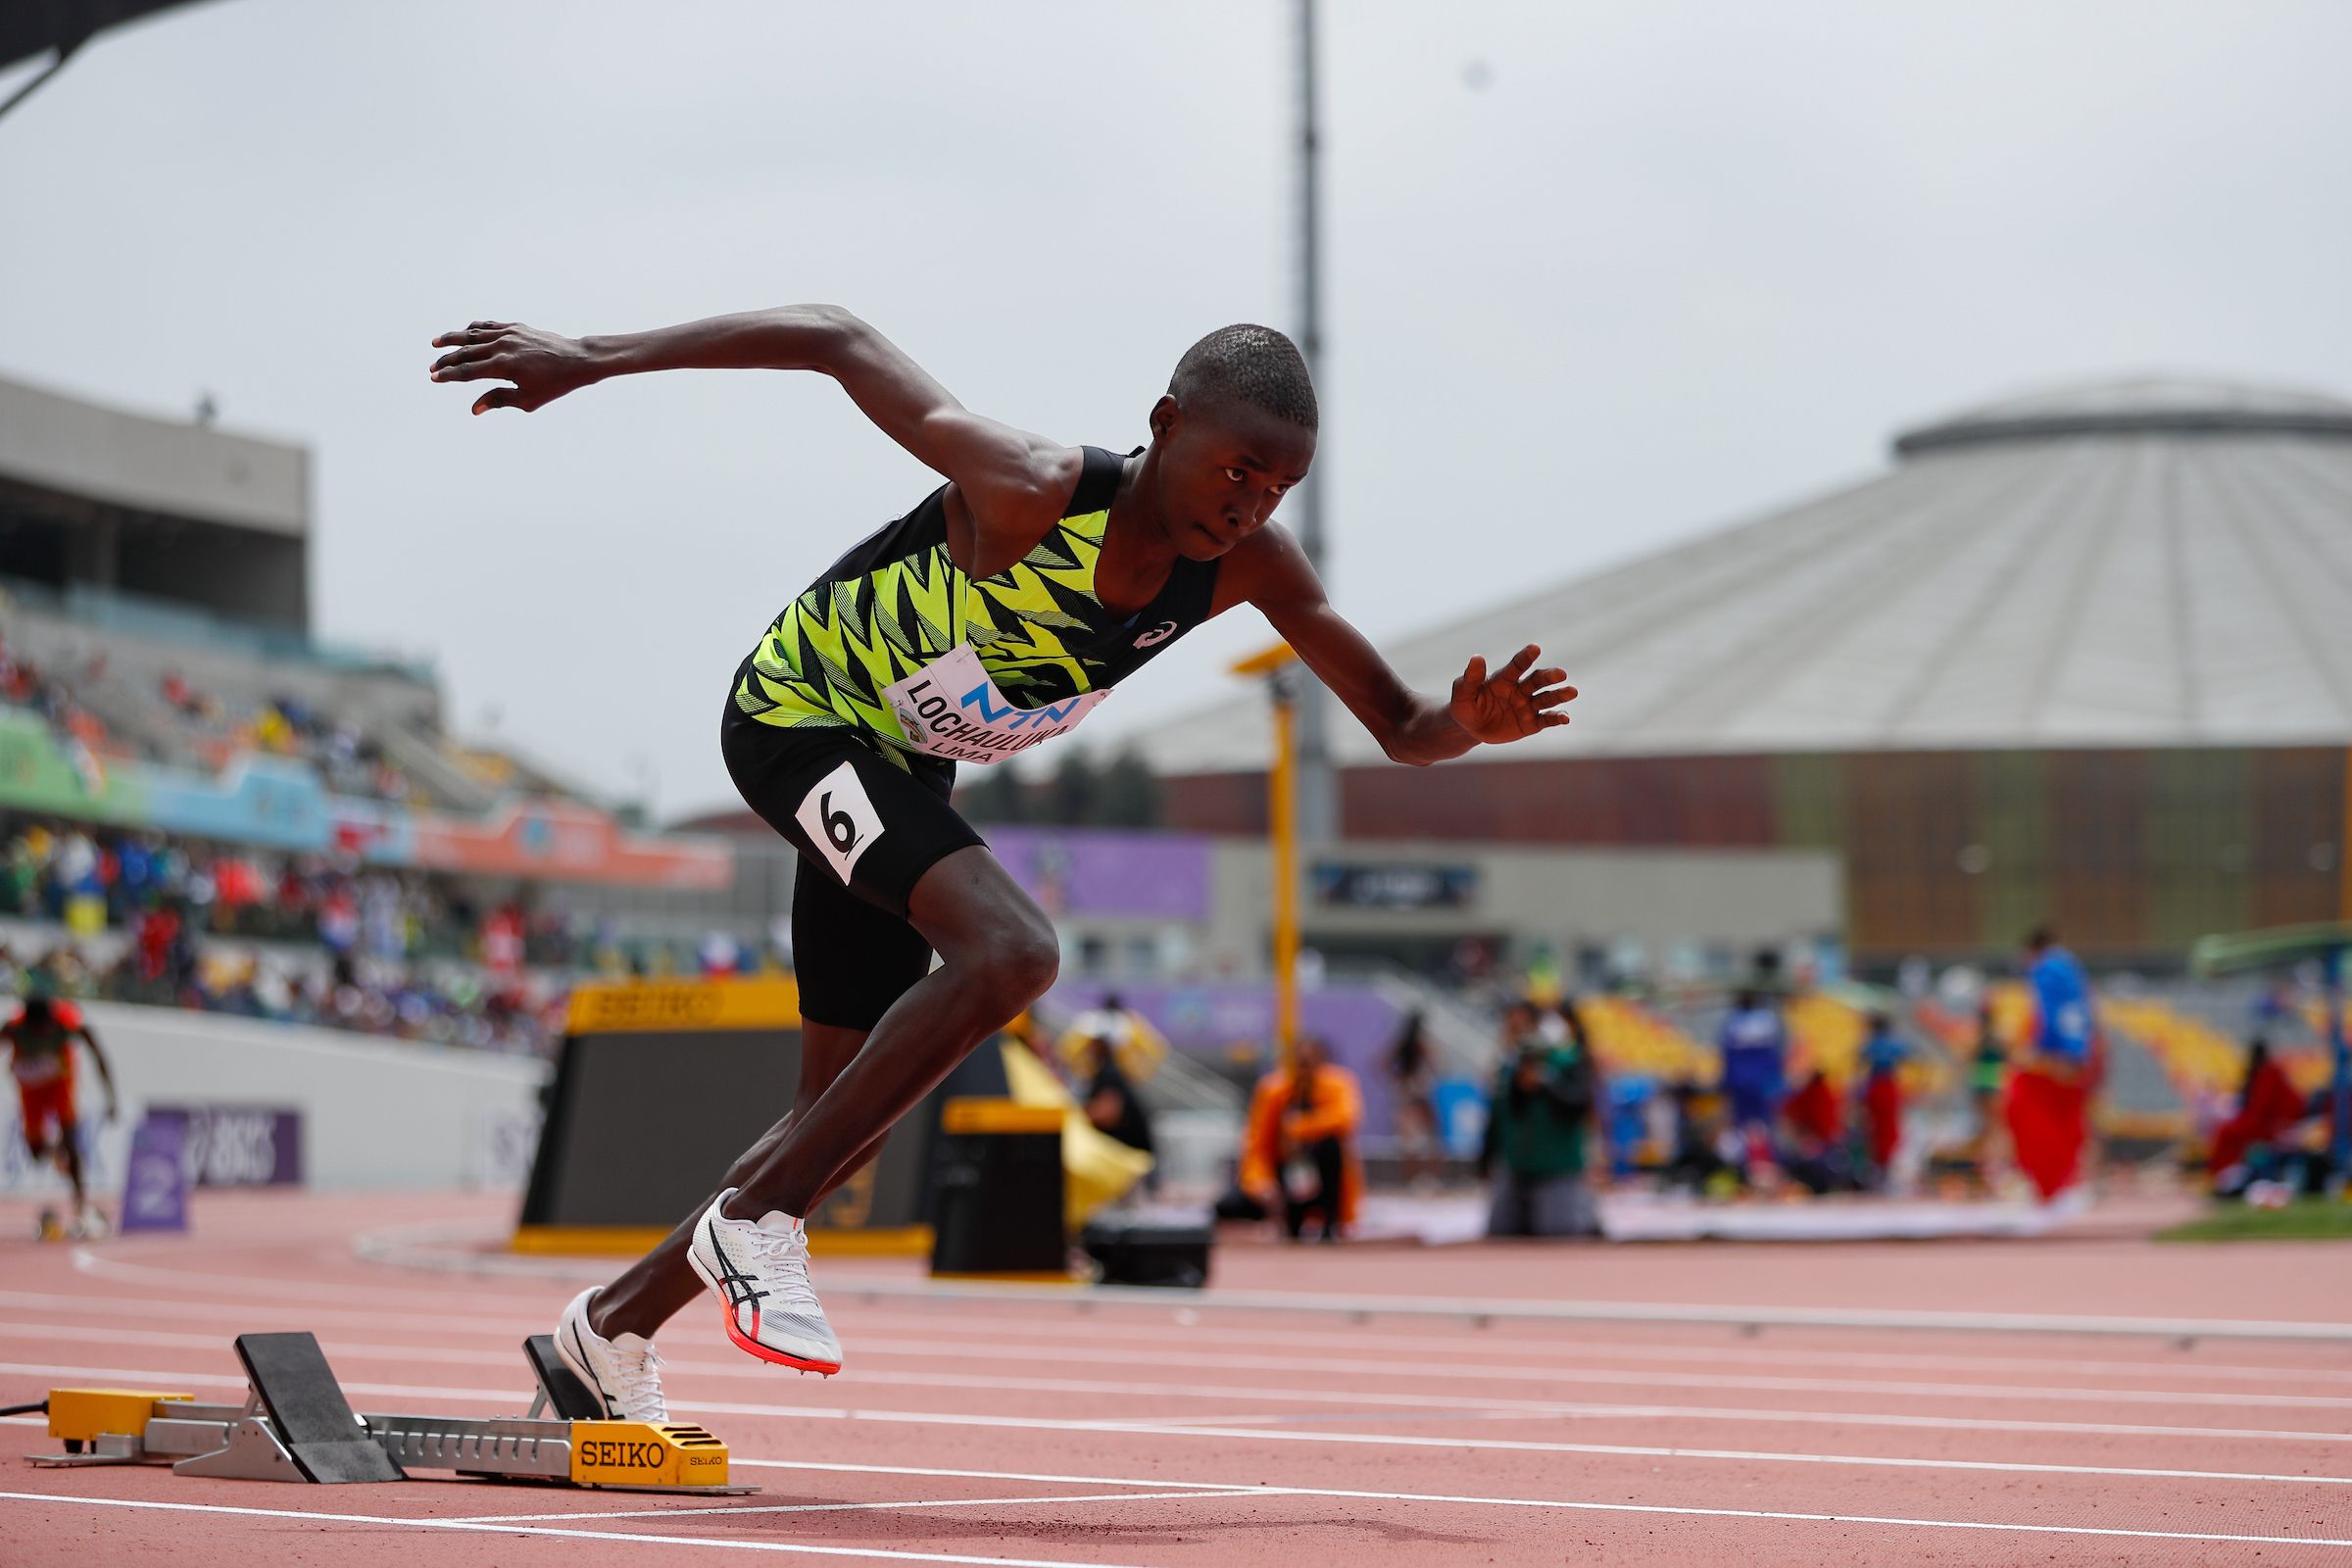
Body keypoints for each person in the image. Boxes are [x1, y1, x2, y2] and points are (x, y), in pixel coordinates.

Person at [431, 307, 1576, 1416]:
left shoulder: (1251, 569)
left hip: (907, 767)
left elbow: (1398, 723)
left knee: (838, 1119)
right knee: (1016, 950)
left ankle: (611, 1329)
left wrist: (1469, 721)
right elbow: (837, 335)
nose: (1251, 506)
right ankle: (755, 1224)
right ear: (1166, 421)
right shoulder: (1027, 487)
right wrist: (592, 356)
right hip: (797, 722)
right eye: (1237, 471)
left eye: (1278, 489)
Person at [4, 991, 120, 1237]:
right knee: (35, 1152)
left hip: (60, 1081)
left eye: (44, 1029)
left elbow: (98, 1054)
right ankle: (57, 1150)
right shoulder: (13, 1028)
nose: (41, 1034)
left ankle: (80, 1204)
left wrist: (111, 1097)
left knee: (71, 1138)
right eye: (36, 1031)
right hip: (31, 1088)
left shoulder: (69, 1021)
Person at [1479, 1002, 1599, 1237]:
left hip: (1557, 1168)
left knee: (1559, 1233)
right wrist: (1485, 1161)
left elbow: (1579, 1106)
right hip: (1516, 1166)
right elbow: (1499, 1116)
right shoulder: (1508, 1069)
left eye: (1523, 1026)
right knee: (1501, 1232)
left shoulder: (1566, 1062)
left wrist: (1547, 1082)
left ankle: (1589, 1217)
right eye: (1512, 1026)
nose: (1517, 1033)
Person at [1232, 1035, 1363, 1242]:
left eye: (1310, 1062)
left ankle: (1330, 1220)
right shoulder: (1274, 1089)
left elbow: (1345, 1118)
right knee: (1231, 1205)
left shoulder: (1338, 1084)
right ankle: (1290, 1219)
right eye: (1299, 1062)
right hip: (1286, 1172)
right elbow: (1256, 1141)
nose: (1305, 1069)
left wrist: (1297, 1127)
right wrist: (1258, 1180)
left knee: (1331, 1147)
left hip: (1323, 1173)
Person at [2008, 925, 2094, 1205]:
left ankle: (2051, 1182)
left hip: (2059, 1054)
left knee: (2027, 1108)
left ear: (2031, 950)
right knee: (2067, 1117)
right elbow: (2079, 1012)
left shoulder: (2046, 969)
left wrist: (2043, 1049)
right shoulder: (2071, 967)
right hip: (2077, 1052)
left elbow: (2051, 1012)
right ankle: (2065, 1180)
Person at [2208, 1037, 2308, 1193]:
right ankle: (2228, 1175)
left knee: (2226, 1133)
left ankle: (2227, 1176)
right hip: (2268, 1124)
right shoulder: (2266, 1073)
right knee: (2226, 1131)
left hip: (2274, 1126)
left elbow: (2260, 1112)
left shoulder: (2268, 1074)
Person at [1717, 988, 1789, 1167]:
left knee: (1745, 1125)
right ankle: (1767, 1163)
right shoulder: (1767, 1020)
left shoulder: (1734, 1022)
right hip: (1760, 1082)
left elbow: (1727, 1055)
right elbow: (1777, 1052)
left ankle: (1750, 1165)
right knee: (1764, 1124)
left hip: (1744, 1081)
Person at [1388, 1009, 1443, 1188]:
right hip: (1417, 1092)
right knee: (1430, 1136)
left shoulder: (1402, 1044)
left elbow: (1382, 1064)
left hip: (1405, 1092)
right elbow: (1437, 1065)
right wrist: (1423, 1078)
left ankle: (1411, 1179)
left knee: (1409, 1140)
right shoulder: (1420, 1045)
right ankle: (1425, 1178)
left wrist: (1399, 1080)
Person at [1856, 1010, 1909, 1182]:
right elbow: (1911, 1057)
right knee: (1889, 1128)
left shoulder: (1870, 1043)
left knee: (1875, 1128)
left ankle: (1878, 1167)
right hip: (1889, 1086)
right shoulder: (1894, 1043)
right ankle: (1886, 1166)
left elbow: (1859, 1062)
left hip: (1875, 1086)